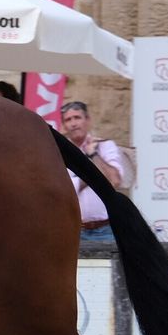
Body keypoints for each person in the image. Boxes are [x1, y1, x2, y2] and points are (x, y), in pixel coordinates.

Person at [60, 100, 125, 242]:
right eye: (68, 120)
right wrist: (92, 174)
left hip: (106, 230)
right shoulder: (60, 153)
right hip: (74, 230)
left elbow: (114, 181)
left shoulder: (105, 146)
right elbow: (63, 190)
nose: (73, 123)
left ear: (87, 120)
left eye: (77, 117)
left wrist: (94, 155)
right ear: (64, 126)